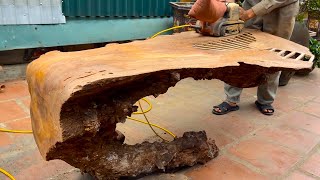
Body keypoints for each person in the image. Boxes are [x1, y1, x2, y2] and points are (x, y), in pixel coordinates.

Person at [212, 0, 299, 116]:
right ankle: (231, 99)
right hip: (252, 3)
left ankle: (265, 100)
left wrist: (249, 13)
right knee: (240, 50)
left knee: (274, 54)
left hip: (281, 11)